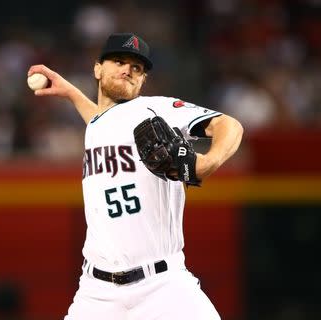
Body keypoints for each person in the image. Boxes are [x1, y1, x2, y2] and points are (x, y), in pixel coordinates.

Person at [28, 33, 243, 320]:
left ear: (142, 81)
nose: (128, 70)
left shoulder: (155, 109)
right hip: (96, 292)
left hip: (163, 286)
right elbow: (102, 121)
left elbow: (229, 125)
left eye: (137, 68)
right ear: (97, 69)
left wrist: (206, 163)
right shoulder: (97, 124)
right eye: (119, 61)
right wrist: (70, 92)